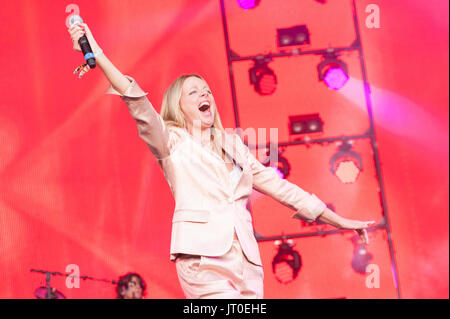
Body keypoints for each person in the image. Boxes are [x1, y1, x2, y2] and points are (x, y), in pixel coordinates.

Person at [68, 22, 375, 299]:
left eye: (207, 90)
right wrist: (99, 55)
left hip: (245, 264)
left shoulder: (233, 145)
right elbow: (138, 103)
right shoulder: (171, 141)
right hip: (202, 260)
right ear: (179, 106)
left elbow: (283, 189)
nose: (205, 95)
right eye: (194, 92)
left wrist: (340, 221)